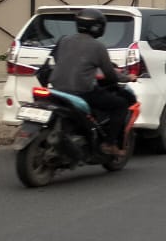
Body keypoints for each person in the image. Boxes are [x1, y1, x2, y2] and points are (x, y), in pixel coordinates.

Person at [46, 9, 131, 155]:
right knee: (121, 105)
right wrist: (127, 78)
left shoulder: (64, 40)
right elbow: (110, 75)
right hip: (81, 92)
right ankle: (109, 144)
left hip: (56, 89)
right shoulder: (98, 47)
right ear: (98, 27)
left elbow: (62, 60)